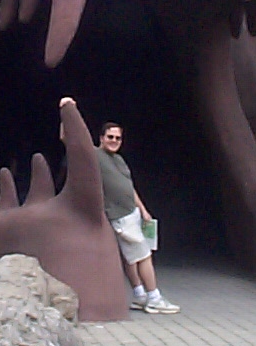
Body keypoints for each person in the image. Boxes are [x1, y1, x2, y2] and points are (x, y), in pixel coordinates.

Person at [61, 98, 180, 314]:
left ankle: (140, 295)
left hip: (132, 213)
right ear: (101, 138)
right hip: (120, 216)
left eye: (118, 138)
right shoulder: (94, 155)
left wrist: (143, 210)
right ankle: (154, 297)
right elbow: (68, 138)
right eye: (110, 137)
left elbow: (128, 187)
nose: (114, 141)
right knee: (143, 256)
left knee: (132, 257)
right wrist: (67, 108)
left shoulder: (119, 160)